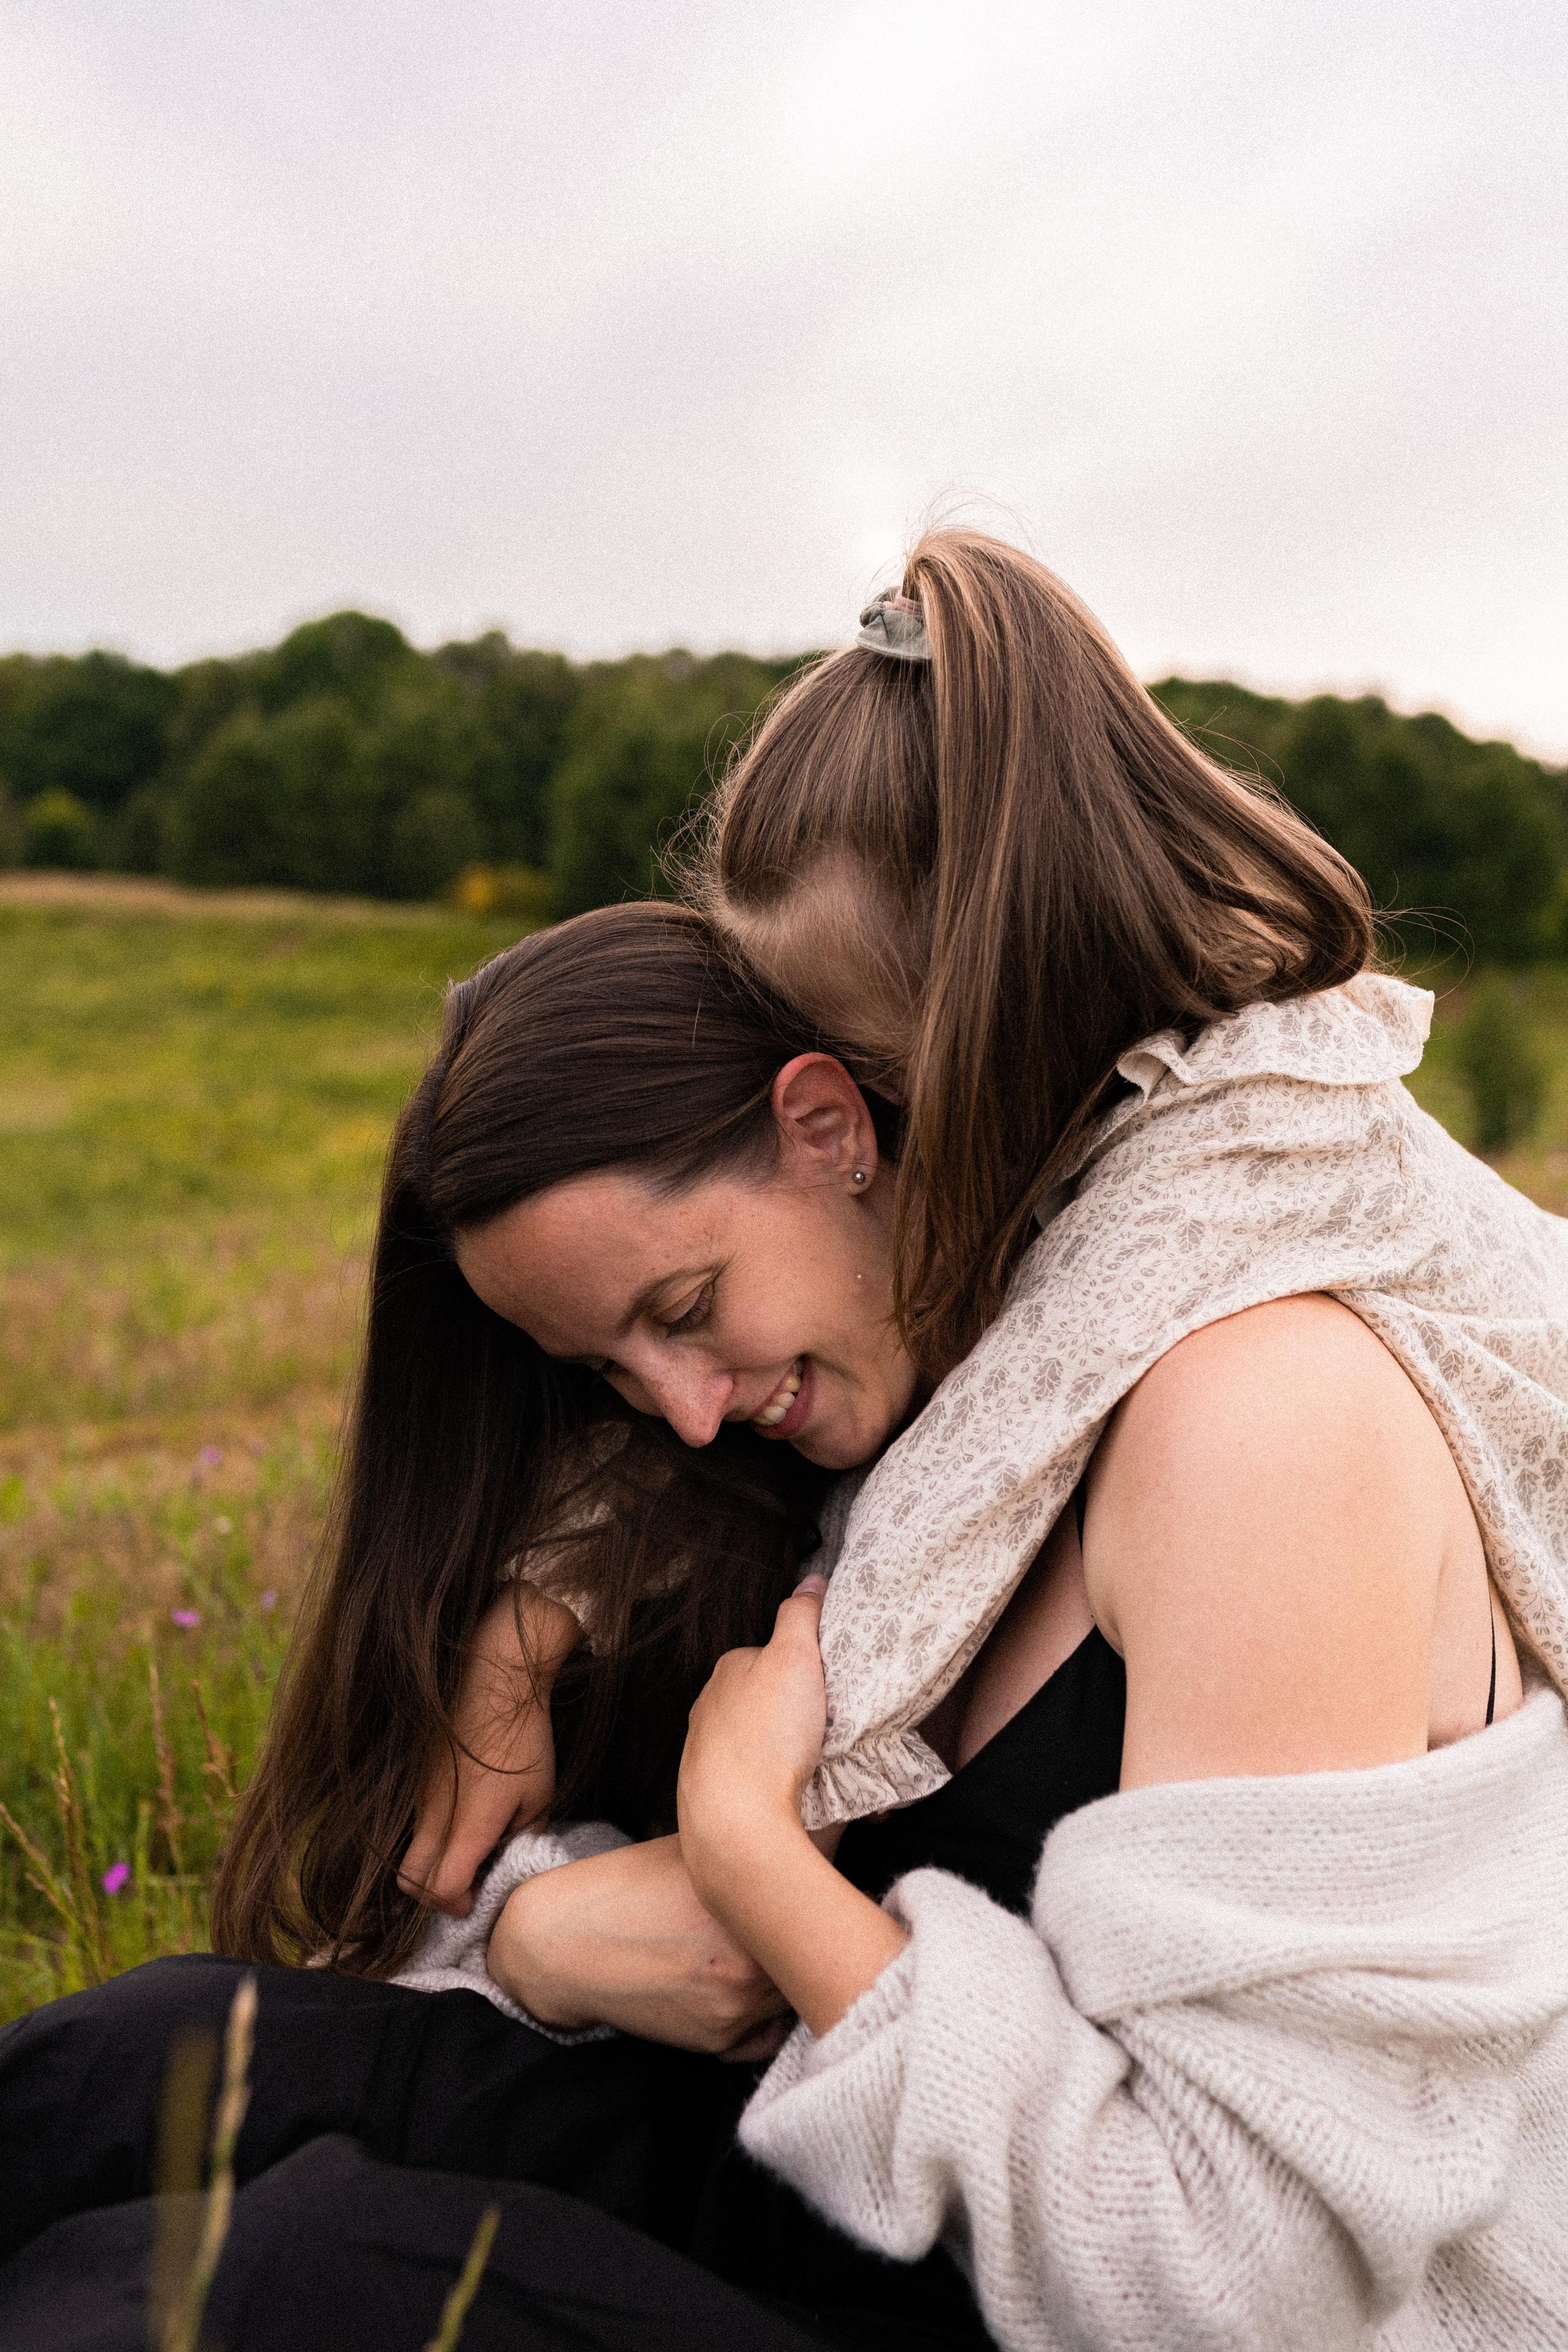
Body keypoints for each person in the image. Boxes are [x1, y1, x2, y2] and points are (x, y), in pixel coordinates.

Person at [4, 530, 1568, 2351]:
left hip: (1107, 2301)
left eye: (862, 1078)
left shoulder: (1257, 1417)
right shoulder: (971, 1392)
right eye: (617, 1370)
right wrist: (540, 1868)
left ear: (886, 1093)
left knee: (294, 2287)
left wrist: (746, 1849)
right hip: (900, 2216)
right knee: (132, 2070)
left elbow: (1232, 2288)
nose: (677, 1408)